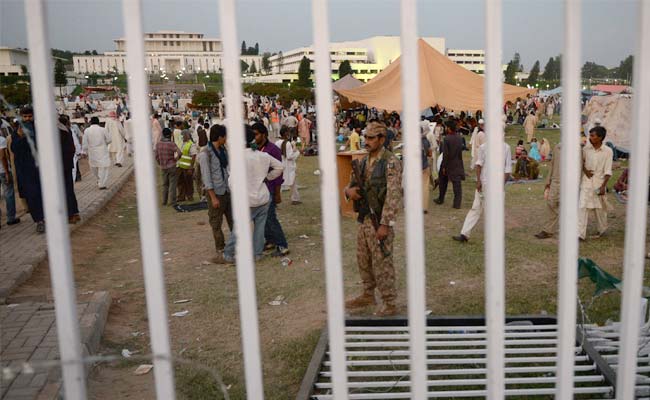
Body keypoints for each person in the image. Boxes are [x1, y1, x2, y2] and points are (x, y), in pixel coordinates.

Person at [344, 121, 402, 317]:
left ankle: (390, 302)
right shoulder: (362, 161)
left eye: (371, 138)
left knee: (382, 262)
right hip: (364, 219)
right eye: (365, 137)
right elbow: (350, 185)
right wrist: (348, 191)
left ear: (382, 139)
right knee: (363, 259)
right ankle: (368, 294)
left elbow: (393, 195)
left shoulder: (391, 162)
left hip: (379, 220)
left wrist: (385, 224)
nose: (366, 141)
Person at [213, 126, 283, 264]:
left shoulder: (238, 158)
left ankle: (228, 254)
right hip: (263, 197)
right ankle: (257, 254)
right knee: (259, 228)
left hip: (246, 200)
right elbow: (280, 167)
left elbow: (232, 181)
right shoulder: (263, 155)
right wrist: (267, 177)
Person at [453, 138, 512, 242]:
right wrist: (478, 181)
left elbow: (507, 170)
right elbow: (479, 165)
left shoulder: (506, 148)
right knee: (475, 208)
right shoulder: (484, 147)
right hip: (484, 184)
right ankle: (464, 234)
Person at [252, 122, 290, 256]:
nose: (254, 137)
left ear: (264, 134)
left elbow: (279, 172)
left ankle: (282, 245)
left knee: (270, 217)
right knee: (262, 217)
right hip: (259, 189)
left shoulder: (272, 149)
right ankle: (270, 240)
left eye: (256, 134)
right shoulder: (254, 149)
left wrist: (278, 192)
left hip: (271, 188)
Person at [199, 124, 233, 255]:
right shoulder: (205, 153)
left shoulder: (223, 150)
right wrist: (213, 197)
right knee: (216, 223)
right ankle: (221, 247)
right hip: (216, 193)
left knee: (233, 220)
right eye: (225, 136)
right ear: (220, 137)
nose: (226, 139)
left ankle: (236, 244)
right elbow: (207, 178)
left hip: (227, 190)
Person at [11, 107, 45, 233]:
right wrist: (21, 137)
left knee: (43, 195)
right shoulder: (17, 132)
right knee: (32, 196)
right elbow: (15, 150)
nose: (27, 119)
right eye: (24, 117)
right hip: (26, 171)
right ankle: (39, 221)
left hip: (41, 169)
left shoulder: (39, 130)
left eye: (29, 116)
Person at [579, 126, 613, 240]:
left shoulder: (608, 151)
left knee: (600, 209)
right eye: (590, 135)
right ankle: (580, 234)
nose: (590, 138)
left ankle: (602, 229)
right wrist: (585, 171)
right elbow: (581, 162)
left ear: (600, 137)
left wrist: (603, 186)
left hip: (599, 183)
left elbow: (608, 170)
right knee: (582, 207)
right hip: (586, 182)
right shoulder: (586, 149)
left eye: (593, 136)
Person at [434, 120, 464, 209]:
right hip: (457, 162)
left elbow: (445, 154)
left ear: (449, 128)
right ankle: (457, 203)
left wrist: (443, 166)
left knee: (443, 181)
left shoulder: (447, 139)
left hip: (448, 164)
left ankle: (441, 198)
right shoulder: (459, 138)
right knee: (457, 185)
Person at [535, 143, 562, 239]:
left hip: (571, 183)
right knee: (551, 204)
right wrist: (548, 181)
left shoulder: (577, 148)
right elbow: (552, 164)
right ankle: (548, 230)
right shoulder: (558, 147)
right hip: (556, 180)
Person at [57, 115, 80, 224]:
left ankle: (70, 215)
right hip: (67, 164)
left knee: (65, 190)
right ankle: (74, 213)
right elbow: (72, 148)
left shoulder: (60, 132)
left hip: (61, 165)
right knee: (69, 189)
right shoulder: (67, 130)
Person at [82, 116, 112, 190]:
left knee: (94, 167)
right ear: (98, 122)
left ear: (90, 122)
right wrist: (104, 143)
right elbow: (109, 140)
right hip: (102, 151)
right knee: (103, 167)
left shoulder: (87, 130)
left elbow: (84, 142)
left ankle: (99, 180)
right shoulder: (103, 129)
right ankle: (102, 183)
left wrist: (84, 151)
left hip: (92, 152)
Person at [155, 128, 181, 207]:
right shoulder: (172, 144)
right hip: (172, 165)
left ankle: (164, 201)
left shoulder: (158, 144)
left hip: (163, 166)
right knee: (172, 184)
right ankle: (172, 201)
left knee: (165, 184)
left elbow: (156, 156)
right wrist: (176, 159)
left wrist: (160, 162)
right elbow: (179, 152)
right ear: (170, 135)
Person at [276, 126, 301, 205]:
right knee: (292, 182)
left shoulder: (277, 142)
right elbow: (289, 156)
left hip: (280, 164)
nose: (289, 134)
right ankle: (295, 199)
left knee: (279, 183)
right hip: (288, 165)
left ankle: (276, 198)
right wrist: (297, 152)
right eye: (288, 132)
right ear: (286, 133)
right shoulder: (287, 143)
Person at [0, 127, 20, 228]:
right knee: (9, 194)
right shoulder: (1, 140)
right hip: (3, 171)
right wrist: (7, 172)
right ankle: (11, 218)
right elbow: (2, 157)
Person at [176, 130, 197, 202]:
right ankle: (181, 197)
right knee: (180, 182)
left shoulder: (191, 144)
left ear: (187, 136)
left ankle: (190, 196)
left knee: (188, 183)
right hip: (181, 166)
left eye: (183, 136)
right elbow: (181, 153)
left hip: (188, 167)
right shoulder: (183, 143)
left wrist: (191, 168)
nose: (182, 137)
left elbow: (193, 156)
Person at [421, 128, 432, 213]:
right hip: (424, 166)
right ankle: (424, 207)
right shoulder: (426, 141)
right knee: (425, 188)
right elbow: (430, 153)